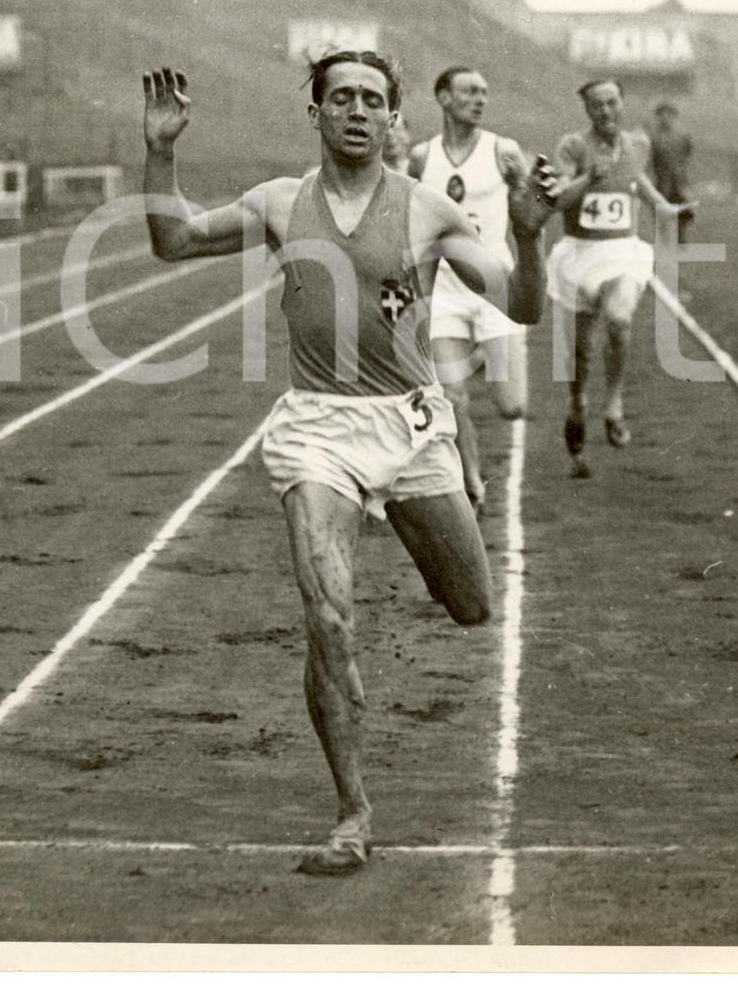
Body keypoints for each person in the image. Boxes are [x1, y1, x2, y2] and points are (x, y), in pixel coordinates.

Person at [142, 53, 558, 876]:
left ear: (393, 115)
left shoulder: (429, 211)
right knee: (327, 615)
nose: (357, 112)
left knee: (472, 605)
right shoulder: (276, 202)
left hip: (409, 425)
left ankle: (346, 684)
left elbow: (522, 306)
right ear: (317, 113)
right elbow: (174, 240)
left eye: (373, 100)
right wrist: (160, 152)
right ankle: (352, 811)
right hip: (318, 430)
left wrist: (531, 232)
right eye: (342, 99)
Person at [550, 77, 691, 477]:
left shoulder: (638, 143)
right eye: (598, 106)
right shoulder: (572, 147)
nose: (607, 112)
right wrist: (587, 178)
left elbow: (634, 180)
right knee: (581, 352)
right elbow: (558, 198)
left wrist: (662, 205)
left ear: (622, 104)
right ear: (588, 111)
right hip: (580, 253)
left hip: (621, 251)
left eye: (613, 103)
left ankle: (613, 403)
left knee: (619, 318)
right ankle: (578, 401)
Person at [407, 66, 529, 515]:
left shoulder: (503, 150)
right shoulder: (423, 157)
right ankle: (473, 483)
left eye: (484, 92)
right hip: (444, 290)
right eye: (469, 92)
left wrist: (528, 189)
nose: (480, 99)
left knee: (512, 406)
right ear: (443, 98)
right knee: (452, 396)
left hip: (494, 286)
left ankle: (476, 359)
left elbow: (530, 205)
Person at [649, 101, 694, 244]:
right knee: (663, 207)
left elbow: (687, 152)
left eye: (668, 115)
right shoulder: (653, 137)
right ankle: (665, 239)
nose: (665, 118)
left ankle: (681, 236)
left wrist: (682, 171)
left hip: (679, 179)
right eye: (661, 115)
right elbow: (652, 157)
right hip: (662, 179)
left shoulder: (682, 135)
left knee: (683, 207)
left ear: (673, 116)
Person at [381, 109, 412, 174]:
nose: (390, 136)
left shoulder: (416, 169)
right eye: (385, 131)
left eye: (397, 130)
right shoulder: (372, 173)